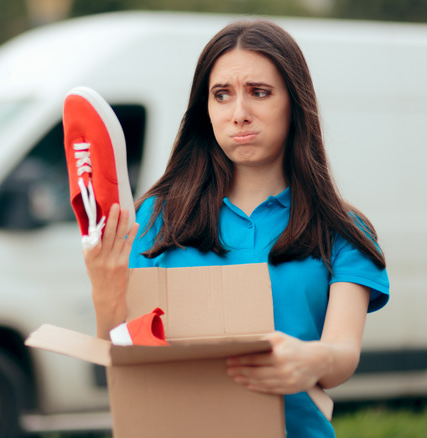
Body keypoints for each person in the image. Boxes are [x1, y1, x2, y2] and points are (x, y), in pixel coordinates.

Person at [81, 18, 389, 437]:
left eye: (259, 93)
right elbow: (120, 352)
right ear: (204, 109)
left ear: (295, 102)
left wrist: (310, 361)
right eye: (221, 95)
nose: (239, 114)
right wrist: (104, 285)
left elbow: (341, 355)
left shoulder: (342, 230)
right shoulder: (156, 219)